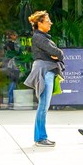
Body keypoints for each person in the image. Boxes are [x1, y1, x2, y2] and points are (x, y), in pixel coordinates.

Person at [23, 10, 64, 147]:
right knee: (43, 106)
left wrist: (57, 55)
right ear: (39, 23)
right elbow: (56, 52)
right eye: (47, 21)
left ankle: (40, 137)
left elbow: (56, 54)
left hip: (47, 71)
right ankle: (40, 138)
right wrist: (58, 54)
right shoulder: (39, 38)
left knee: (44, 106)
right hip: (45, 72)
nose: (50, 23)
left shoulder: (42, 37)